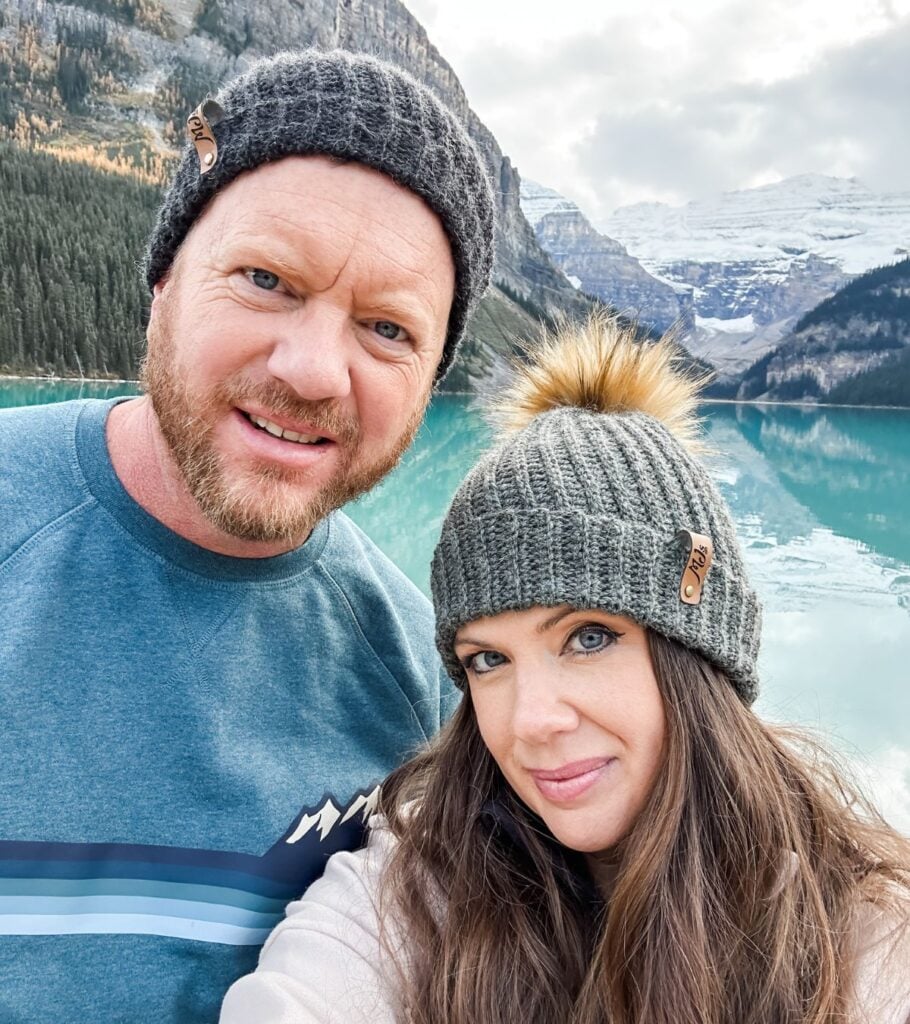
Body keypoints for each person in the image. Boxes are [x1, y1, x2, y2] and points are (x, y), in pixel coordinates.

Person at [221, 313, 910, 1024]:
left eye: (588, 638)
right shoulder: (420, 887)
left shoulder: (863, 939)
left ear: (697, 652)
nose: (530, 722)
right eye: (488, 660)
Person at [0, 49, 494, 1022]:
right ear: (163, 284)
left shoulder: (435, 692)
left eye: (388, 330)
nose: (313, 370)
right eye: (265, 279)